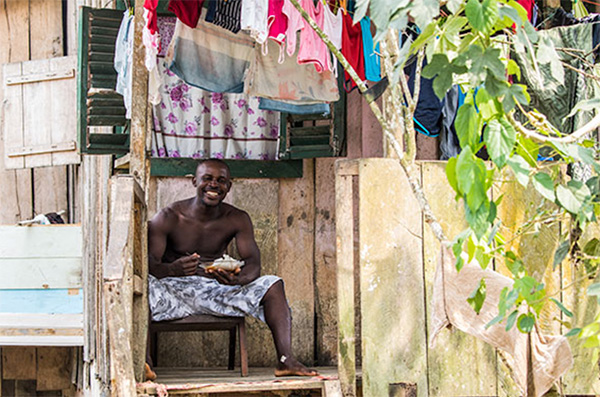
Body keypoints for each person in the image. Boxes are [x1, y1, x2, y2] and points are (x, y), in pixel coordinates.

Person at [147, 158, 318, 378]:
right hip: (173, 293)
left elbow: (253, 263)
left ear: (229, 186)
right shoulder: (169, 216)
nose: (214, 185)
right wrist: (173, 270)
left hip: (216, 291)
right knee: (141, 285)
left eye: (221, 181)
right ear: (194, 181)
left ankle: (286, 361)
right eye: (207, 179)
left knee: (273, 284)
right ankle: (147, 364)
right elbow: (150, 265)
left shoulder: (237, 218)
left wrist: (237, 280)